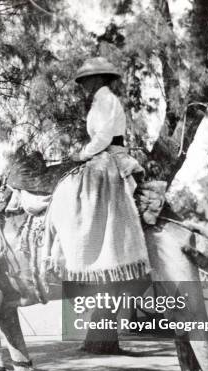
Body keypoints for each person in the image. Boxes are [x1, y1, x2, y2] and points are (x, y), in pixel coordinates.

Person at [43, 56, 150, 282]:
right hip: (103, 153)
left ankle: (91, 257)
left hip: (110, 155)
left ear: (99, 78)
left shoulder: (106, 100)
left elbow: (103, 137)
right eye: (83, 81)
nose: (84, 85)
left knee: (77, 192)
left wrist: (82, 154)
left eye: (87, 80)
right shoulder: (100, 101)